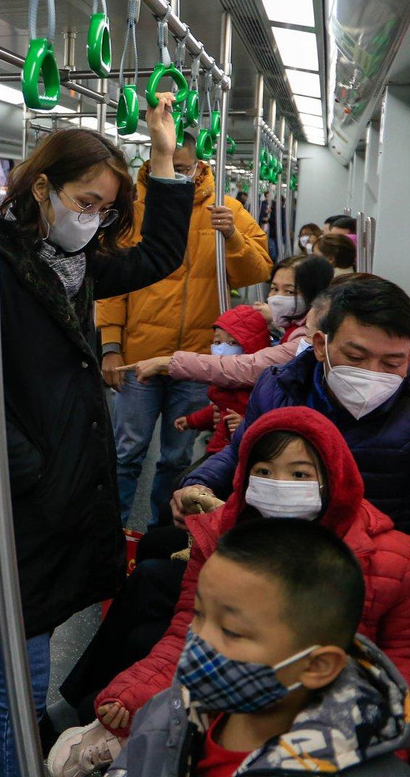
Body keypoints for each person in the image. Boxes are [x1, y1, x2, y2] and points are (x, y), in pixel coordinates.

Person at [0, 97, 195, 777]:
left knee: (20, 646)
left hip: (62, 484)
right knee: (27, 657)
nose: (93, 218)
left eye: (105, 207)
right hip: (24, 494)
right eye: (84, 200)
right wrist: (24, 466)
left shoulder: (76, 261)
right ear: (41, 187)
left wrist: (162, 156)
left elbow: (160, 252)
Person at [52, 407, 410, 774]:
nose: (280, 484)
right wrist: (137, 691)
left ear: (332, 477)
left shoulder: (395, 560)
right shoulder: (225, 538)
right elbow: (187, 625)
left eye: (299, 474)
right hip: (232, 699)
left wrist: (386, 744)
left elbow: (403, 660)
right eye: (264, 471)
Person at [102, 520, 410, 776]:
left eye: (231, 631)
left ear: (316, 666)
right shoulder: (169, 712)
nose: (200, 639)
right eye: (199, 614)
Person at [176, 277, 410, 543]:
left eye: (392, 363)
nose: (372, 373)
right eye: (356, 356)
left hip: (376, 566)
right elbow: (242, 449)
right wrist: (199, 484)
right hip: (273, 542)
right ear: (320, 346)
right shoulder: (279, 388)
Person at [99, 130, 273, 526]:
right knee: (126, 453)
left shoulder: (225, 209)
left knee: (176, 458)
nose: (175, 177)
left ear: (199, 166)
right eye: (167, 168)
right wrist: (110, 345)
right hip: (139, 356)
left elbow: (256, 271)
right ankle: (113, 533)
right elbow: (109, 287)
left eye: (182, 169)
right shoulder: (134, 210)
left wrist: (231, 237)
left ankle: (164, 533)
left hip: (196, 360)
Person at [128, 258, 335, 389]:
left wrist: (168, 362)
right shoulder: (290, 329)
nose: (276, 298)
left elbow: (248, 368)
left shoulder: (304, 341)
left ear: (314, 296)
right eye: (273, 288)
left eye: (289, 291)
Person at [174, 305, 271, 454]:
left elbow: (266, 418)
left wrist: (245, 424)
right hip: (219, 449)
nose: (222, 349)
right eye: (217, 343)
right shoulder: (223, 385)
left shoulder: (258, 389)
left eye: (232, 343)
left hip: (239, 452)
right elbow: (217, 411)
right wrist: (191, 421)